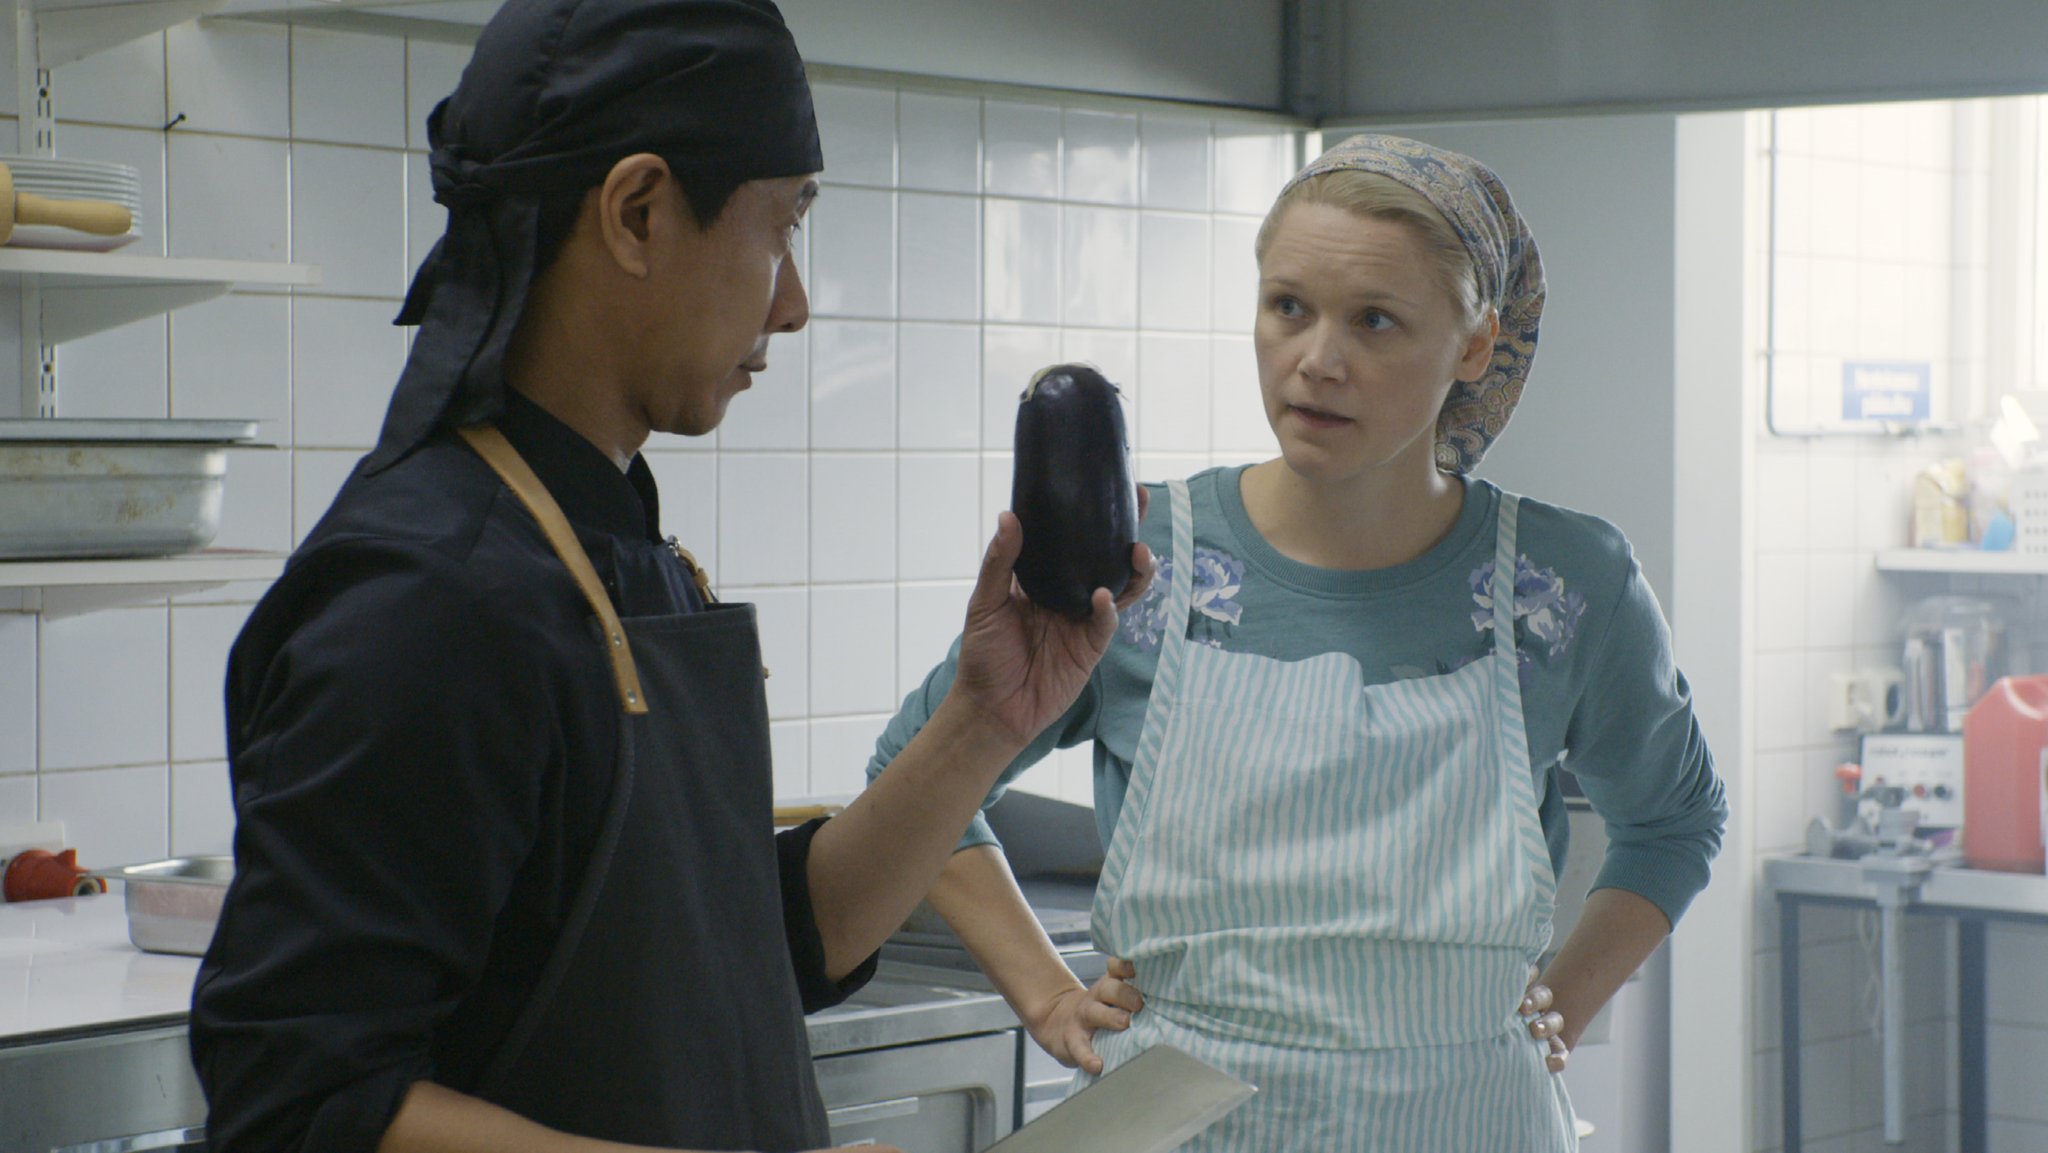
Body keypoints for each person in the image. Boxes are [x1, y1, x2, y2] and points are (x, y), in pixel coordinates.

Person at [187, 3, 1149, 1152]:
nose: (791, 304)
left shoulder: (606, 544)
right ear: (638, 212)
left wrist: (985, 723)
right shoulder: (430, 601)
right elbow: (300, 1101)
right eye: (782, 225)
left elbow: (765, 938)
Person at [864, 133, 1729, 1151]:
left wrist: (1565, 1001)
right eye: (1287, 308)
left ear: (1472, 346)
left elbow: (1674, 820)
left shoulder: (1562, 586)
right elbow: (913, 782)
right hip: (1176, 1125)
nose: (1315, 361)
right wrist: (1047, 996)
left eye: (1373, 320)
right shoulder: (1140, 563)